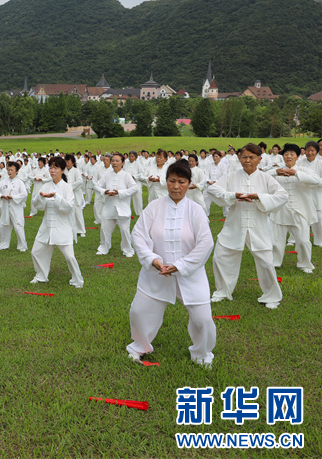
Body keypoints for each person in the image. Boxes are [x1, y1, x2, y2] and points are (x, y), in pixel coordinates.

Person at [128, 160, 216, 367]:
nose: (176, 186)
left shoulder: (196, 210)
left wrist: (182, 265)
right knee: (138, 311)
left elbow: (206, 242)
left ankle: (202, 354)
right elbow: (138, 235)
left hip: (190, 274)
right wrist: (153, 260)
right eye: (172, 181)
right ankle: (139, 347)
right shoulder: (154, 207)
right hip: (157, 272)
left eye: (182, 182)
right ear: (165, 181)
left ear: (189, 184)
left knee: (203, 319)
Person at [206, 143, 288, 309]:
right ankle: (223, 290)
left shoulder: (265, 178)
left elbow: (282, 196)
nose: (248, 160)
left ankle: (271, 296)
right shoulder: (231, 176)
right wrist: (233, 196)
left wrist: (258, 197)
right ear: (239, 158)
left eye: (252, 157)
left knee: (266, 261)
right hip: (235, 224)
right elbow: (213, 190)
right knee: (221, 256)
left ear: (259, 159)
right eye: (244, 157)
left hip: (258, 226)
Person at [30, 157, 83, 288]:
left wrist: (55, 196)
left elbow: (68, 207)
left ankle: (77, 280)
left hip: (62, 227)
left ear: (62, 170)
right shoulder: (45, 185)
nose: (52, 170)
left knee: (70, 256)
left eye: (56, 168)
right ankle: (41, 275)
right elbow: (37, 206)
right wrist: (41, 196)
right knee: (35, 252)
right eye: (51, 167)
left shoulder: (67, 188)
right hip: (47, 226)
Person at [271, 143, 321, 273]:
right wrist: (276, 172)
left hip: (300, 210)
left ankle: (304, 263)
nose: (288, 156)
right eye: (286, 154)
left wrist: (296, 173)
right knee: (276, 240)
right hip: (280, 210)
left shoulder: (304, 170)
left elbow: (316, 180)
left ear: (298, 156)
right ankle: (275, 262)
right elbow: (263, 178)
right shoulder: (276, 170)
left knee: (303, 240)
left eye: (292, 154)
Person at [93, 153, 139, 258]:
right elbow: (97, 186)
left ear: (122, 163)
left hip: (123, 207)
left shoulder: (126, 175)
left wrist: (120, 192)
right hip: (108, 207)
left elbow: (134, 188)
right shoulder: (107, 175)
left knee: (124, 230)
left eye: (117, 161)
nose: (114, 163)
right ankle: (104, 247)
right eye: (113, 160)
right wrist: (105, 191)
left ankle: (127, 249)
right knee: (105, 228)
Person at [0, 161, 28, 252]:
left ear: (16, 171)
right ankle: (4, 244)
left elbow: (24, 194)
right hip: (5, 208)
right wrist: (1, 196)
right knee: (3, 226)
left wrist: (13, 197)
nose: (10, 172)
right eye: (8, 170)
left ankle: (22, 245)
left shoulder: (20, 182)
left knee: (18, 226)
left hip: (16, 208)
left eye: (12, 170)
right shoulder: (4, 181)